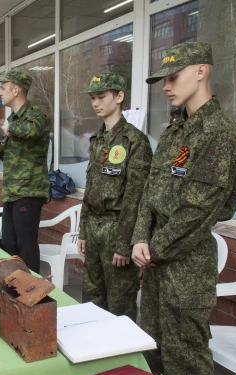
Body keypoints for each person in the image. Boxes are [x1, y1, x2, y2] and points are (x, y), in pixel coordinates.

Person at [131, 42, 236, 375]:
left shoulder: (219, 134)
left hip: (186, 266)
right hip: (155, 261)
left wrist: (152, 247)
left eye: (173, 76)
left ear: (201, 71)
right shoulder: (175, 133)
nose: (166, 86)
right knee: (150, 351)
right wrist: (140, 237)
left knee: (185, 364)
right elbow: (150, 193)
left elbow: (198, 212)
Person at [76, 71, 153, 321]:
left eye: (101, 97)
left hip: (117, 228)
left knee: (120, 305)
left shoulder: (135, 141)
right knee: (91, 298)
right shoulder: (98, 139)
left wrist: (124, 244)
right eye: (93, 98)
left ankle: (122, 359)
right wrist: (84, 231)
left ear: (119, 97)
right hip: (95, 227)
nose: (96, 103)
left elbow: (135, 198)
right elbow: (91, 188)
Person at [0, 70, 50, 273]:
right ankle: (16, 283)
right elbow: (12, 156)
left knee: (26, 245)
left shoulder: (35, 116)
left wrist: (9, 128)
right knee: (8, 242)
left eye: (3, 88)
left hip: (29, 192)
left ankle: (32, 290)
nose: (0, 93)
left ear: (16, 90)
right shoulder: (13, 120)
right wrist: (0, 149)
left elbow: (32, 131)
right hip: (13, 191)